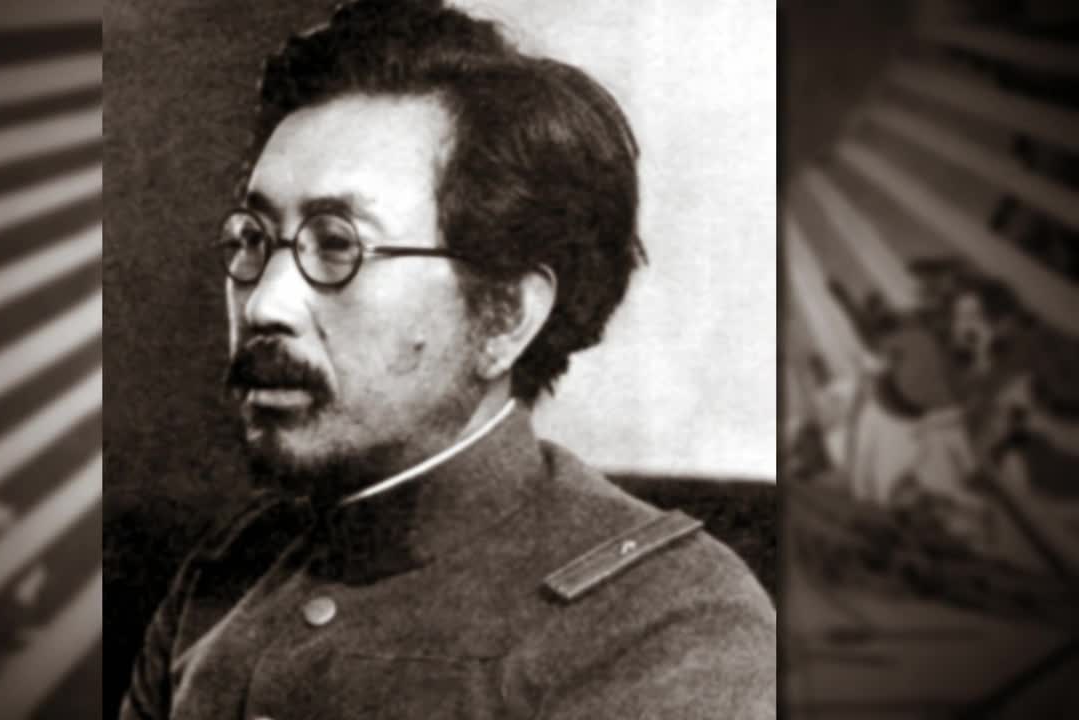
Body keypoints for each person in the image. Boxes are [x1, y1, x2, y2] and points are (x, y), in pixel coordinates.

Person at [121, 1, 774, 717]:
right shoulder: (223, 581)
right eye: (252, 239)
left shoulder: (666, 625)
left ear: (505, 316)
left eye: (337, 245)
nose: (264, 304)